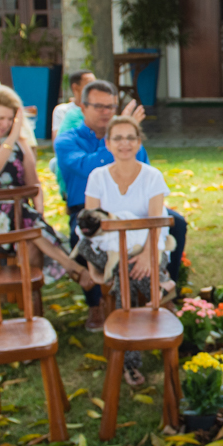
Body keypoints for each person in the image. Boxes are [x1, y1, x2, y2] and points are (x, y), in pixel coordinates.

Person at [55, 80, 187, 331]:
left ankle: (162, 284)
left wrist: (123, 137)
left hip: (138, 210)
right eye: (99, 106)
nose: (106, 112)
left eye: (111, 106)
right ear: (82, 107)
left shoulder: (127, 139)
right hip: (88, 210)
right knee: (79, 238)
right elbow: (87, 166)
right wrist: (121, 139)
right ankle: (96, 303)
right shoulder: (67, 140)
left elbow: (144, 174)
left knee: (176, 223)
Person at [0, 85, 88, 285]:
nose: (6, 124)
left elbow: (33, 183)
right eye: (0, 118)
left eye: (10, 119)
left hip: (19, 213)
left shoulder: (20, 143)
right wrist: (9, 141)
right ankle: (73, 267)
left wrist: (39, 210)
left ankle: (31, 296)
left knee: (29, 235)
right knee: (26, 222)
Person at [83, 116, 174, 386]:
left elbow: (157, 224)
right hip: (107, 249)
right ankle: (162, 286)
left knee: (126, 277)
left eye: (131, 138)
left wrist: (146, 255)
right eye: (118, 138)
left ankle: (129, 361)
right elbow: (91, 225)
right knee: (123, 266)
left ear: (139, 142)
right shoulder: (97, 177)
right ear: (108, 143)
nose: (125, 144)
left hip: (148, 245)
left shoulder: (152, 176)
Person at [53, 69, 95, 138]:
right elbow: (57, 140)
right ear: (75, 87)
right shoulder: (63, 110)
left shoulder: (99, 110)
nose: (95, 88)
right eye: (90, 84)